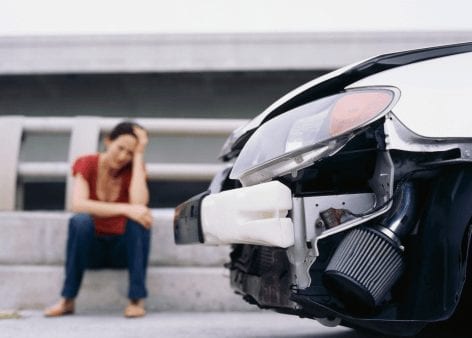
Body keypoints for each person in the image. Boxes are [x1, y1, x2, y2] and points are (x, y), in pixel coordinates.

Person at [44, 121, 153, 318]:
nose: (123, 157)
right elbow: (78, 204)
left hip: (123, 250)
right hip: (91, 249)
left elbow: (140, 204)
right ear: (108, 141)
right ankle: (67, 300)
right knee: (80, 221)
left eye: (130, 153)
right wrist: (126, 209)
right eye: (120, 148)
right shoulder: (86, 163)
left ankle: (136, 300)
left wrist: (139, 156)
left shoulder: (134, 168)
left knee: (139, 221)